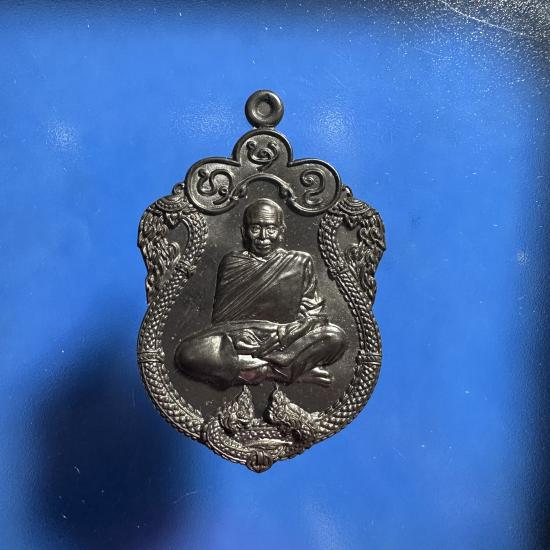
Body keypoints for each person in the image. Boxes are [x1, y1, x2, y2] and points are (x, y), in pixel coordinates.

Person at [175, 198, 346, 389]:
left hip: (282, 340)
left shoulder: (300, 261)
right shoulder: (233, 261)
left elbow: (314, 316)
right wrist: (240, 336)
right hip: (238, 340)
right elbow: (220, 321)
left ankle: (251, 369)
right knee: (188, 353)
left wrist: (285, 335)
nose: (263, 237)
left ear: (281, 231)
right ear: (244, 231)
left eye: (271, 229)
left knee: (335, 337)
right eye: (255, 228)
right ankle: (283, 371)